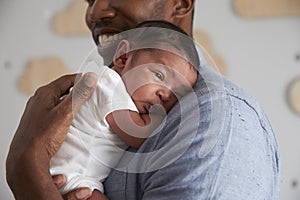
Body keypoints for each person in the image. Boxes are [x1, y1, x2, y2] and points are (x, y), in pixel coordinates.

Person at [6, 0, 281, 200]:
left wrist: (28, 171)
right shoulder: (114, 90)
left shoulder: (217, 122)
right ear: (124, 57)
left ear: (181, 4)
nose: (96, 11)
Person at [50, 20, 199, 195]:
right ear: (123, 57)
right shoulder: (108, 87)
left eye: (178, 94)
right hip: (68, 175)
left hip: (73, 173)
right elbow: (141, 136)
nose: (165, 95)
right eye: (159, 75)